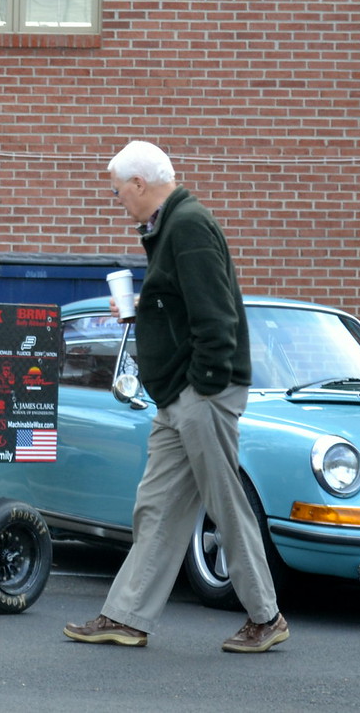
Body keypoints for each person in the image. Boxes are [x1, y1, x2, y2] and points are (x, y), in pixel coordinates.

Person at [65, 141, 288, 653]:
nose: (118, 200)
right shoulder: (175, 227)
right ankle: (124, 616)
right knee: (157, 505)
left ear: (140, 185)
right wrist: (148, 309)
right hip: (182, 393)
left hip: (200, 392)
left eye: (119, 190)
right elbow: (191, 304)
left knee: (223, 502)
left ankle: (266, 616)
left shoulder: (187, 226)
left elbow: (217, 318)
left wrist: (204, 385)